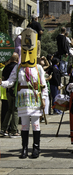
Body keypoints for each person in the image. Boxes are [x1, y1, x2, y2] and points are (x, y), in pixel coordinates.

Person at [0, 28, 48, 159]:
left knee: (36, 124)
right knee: (25, 125)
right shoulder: (18, 67)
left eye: (29, 52)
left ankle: (36, 149)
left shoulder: (38, 68)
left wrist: (44, 99)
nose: (27, 55)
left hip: (35, 98)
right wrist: (1, 83)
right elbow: (10, 82)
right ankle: (25, 149)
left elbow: (43, 85)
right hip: (22, 99)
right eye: (25, 52)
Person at [0, 53, 19, 138]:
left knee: (9, 110)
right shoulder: (17, 67)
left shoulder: (6, 67)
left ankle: (4, 128)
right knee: (15, 110)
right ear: (17, 59)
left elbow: (4, 78)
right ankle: (14, 130)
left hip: (7, 91)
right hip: (15, 91)